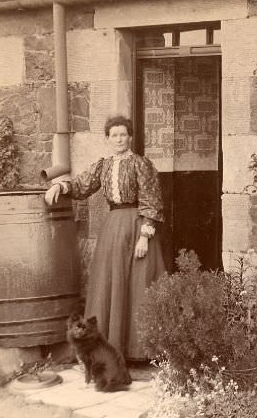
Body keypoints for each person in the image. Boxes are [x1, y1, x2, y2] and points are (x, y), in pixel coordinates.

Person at [44, 115, 165, 360]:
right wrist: (59, 186)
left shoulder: (141, 164)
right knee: (110, 284)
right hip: (112, 229)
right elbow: (82, 185)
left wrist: (145, 235)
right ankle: (110, 348)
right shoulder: (104, 165)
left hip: (137, 227)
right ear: (108, 139)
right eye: (114, 135)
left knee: (136, 286)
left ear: (130, 137)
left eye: (123, 134)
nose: (119, 139)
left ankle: (138, 350)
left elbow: (152, 200)